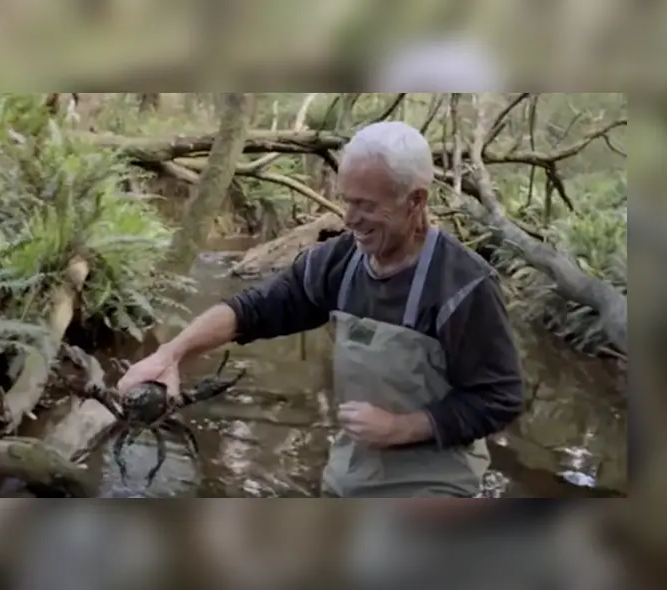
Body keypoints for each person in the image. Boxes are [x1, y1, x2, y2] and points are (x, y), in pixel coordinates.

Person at [117, 121, 524, 498]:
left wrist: (402, 428)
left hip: (434, 487)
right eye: (347, 201)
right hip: (348, 476)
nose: (349, 219)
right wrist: (172, 353)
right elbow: (254, 309)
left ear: (415, 201)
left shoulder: (465, 286)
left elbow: (499, 398)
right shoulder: (338, 263)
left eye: (365, 205)